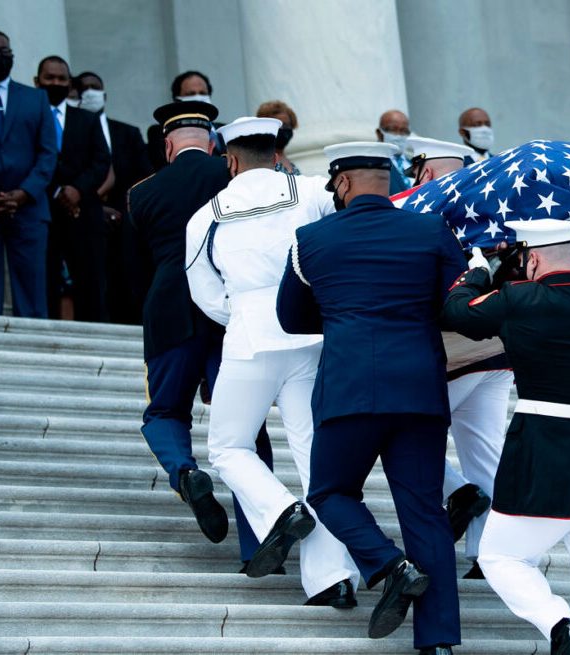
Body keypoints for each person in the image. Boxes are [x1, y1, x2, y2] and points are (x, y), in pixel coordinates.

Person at [277, 141, 464, 653]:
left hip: (349, 386)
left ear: (341, 182)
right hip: (419, 387)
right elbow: (455, 307)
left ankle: (389, 565)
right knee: (424, 511)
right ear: (388, 180)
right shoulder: (432, 231)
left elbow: (290, 318)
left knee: (329, 493)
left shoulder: (311, 239)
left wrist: (344, 316)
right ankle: (438, 643)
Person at [186, 117, 359, 607]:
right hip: (312, 334)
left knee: (228, 447)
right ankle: (333, 579)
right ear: (277, 154)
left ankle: (281, 509)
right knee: (315, 459)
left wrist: (245, 310)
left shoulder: (206, 215)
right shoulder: (312, 191)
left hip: (249, 337)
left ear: (230, 160)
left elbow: (204, 293)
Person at [127, 102, 273, 563]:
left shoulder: (142, 192)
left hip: (169, 310)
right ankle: (259, 543)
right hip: (229, 310)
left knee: (165, 411)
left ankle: (185, 472)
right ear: (213, 144)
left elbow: (136, 264)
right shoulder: (231, 175)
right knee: (246, 428)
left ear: (168, 146)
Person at [443, 219, 570, 655]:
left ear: (533, 258)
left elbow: (456, 312)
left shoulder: (518, 298)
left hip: (543, 445)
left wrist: (477, 272)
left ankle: (561, 628)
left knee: (499, 556)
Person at [398, 136, 514, 578]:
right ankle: (488, 552)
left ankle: (459, 492)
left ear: (425, 171)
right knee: (484, 450)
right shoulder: (497, 205)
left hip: (453, 348)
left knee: (398, 431)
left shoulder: (423, 210)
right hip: (498, 348)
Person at [35, 55, 111, 322]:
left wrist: (78, 189)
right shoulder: (31, 116)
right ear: (37, 82)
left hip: (84, 210)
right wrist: (57, 191)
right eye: (49, 78)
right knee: (46, 277)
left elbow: (101, 160)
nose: (55, 83)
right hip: (43, 209)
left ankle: (97, 332)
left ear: (69, 84)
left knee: (90, 278)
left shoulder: (86, 119)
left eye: (61, 78)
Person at [0, 29, 57, 318]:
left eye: (5, 52)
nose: (0, 57)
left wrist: (24, 193)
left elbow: (48, 153)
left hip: (29, 207)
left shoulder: (36, 99)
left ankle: (35, 339)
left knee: (31, 289)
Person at [76, 71, 153, 324]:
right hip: (82, 214)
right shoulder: (70, 131)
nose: (90, 91)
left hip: (125, 217)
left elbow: (144, 176)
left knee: (127, 274)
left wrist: (125, 207)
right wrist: (95, 206)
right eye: (84, 87)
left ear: (105, 94)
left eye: (95, 86)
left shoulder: (127, 133)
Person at [147, 70, 214, 171]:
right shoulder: (161, 132)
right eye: (191, 94)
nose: (198, 97)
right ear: (177, 98)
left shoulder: (223, 130)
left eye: (202, 93)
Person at [256, 100, 300, 175]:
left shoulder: (290, 162)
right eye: (279, 126)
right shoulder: (260, 162)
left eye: (287, 125)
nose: (284, 129)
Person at [376, 109, 412, 187]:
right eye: (393, 130)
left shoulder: (416, 165)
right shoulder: (373, 165)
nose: (399, 135)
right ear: (379, 134)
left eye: (404, 131)